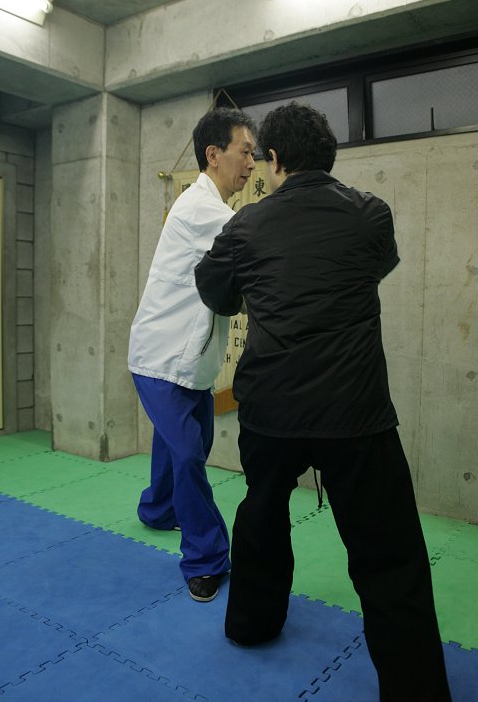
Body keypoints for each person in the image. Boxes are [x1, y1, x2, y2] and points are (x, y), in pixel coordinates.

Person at [195, 102, 452, 700]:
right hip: (355, 413)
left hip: (272, 412)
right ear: (328, 157)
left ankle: (252, 625)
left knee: (262, 515)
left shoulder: (246, 226)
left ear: (274, 159)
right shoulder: (371, 214)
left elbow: (215, 291)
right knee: (389, 553)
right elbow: (373, 269)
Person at [128, 107, 256, 603]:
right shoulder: (202, 208)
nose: (252, 163)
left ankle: (158, 509)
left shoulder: (212, 207)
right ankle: (206, 559)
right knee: (187, 453)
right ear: (213, 154)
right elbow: (254, 244)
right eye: (245, 151)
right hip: (161, 360)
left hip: (192, 363)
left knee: (185, 447)